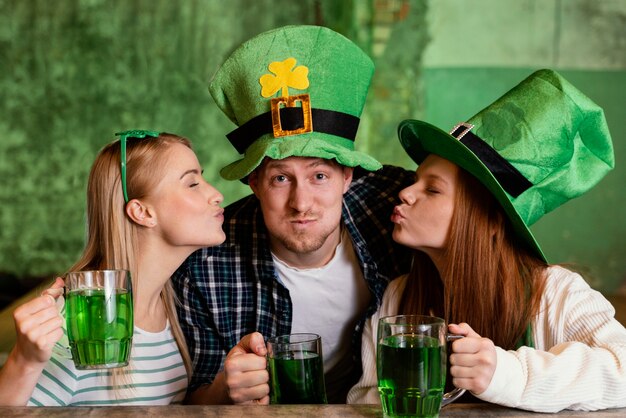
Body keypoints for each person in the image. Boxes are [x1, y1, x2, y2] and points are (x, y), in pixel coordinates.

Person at [347, 69, 626, 412]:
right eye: (416, 181)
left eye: (432, 189)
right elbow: (367, 400)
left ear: (489, 220)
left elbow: (622, 369)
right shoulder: (399, 296)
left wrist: (507, 374)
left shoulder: (556, 292)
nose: (404, 193)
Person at [172, 25, 413, 405]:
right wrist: (225, 390)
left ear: (348, 176)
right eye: (281, 178)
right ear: (253, 182)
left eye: (319, 176)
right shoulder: (203, 263)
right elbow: (192, 397)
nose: (301, 203)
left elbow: (468, 210)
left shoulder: (393, 204)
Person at [0, 130, 225, 406]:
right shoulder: (80, 320)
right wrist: (24, 362)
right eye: (192, 184)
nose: (216, 194)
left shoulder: (176, 304)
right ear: (142, 212)